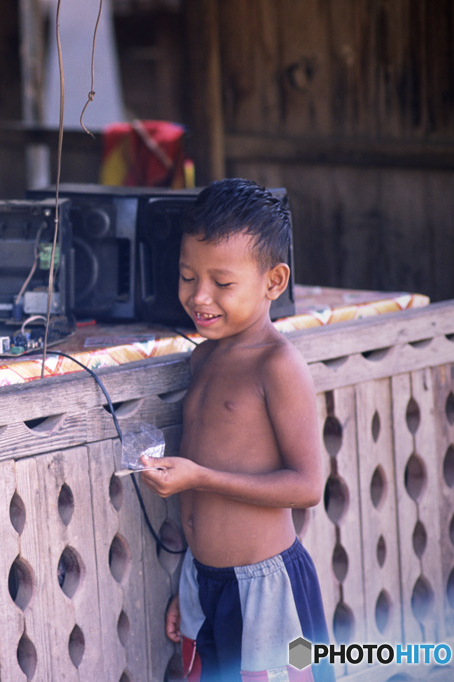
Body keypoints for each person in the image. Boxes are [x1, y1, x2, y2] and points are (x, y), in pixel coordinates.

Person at [139, 178, 333, 681]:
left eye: (222, 284)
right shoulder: (203, 358)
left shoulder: (278, 364)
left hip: (265, 586)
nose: (199, 296)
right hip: (207, 582)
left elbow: (308, 487)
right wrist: (194, 586)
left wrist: (201, 477)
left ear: (274, 282)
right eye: (187, 276)